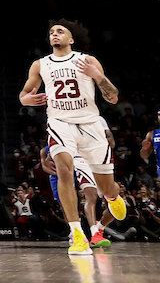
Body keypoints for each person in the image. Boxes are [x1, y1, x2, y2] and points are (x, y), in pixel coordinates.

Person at [18, 20, 127, 255]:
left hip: (91, 124)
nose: (54, 34)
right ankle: (77, 234)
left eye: (60, 31)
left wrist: (98, 76)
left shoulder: (87, 60)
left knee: (105, 186)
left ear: (72, 39)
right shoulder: (40, 65)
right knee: (64, 170)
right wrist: (25, 100)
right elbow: (24, 94)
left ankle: (113, 197)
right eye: (51, 32)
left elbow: (113, 97)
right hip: (59, 123)